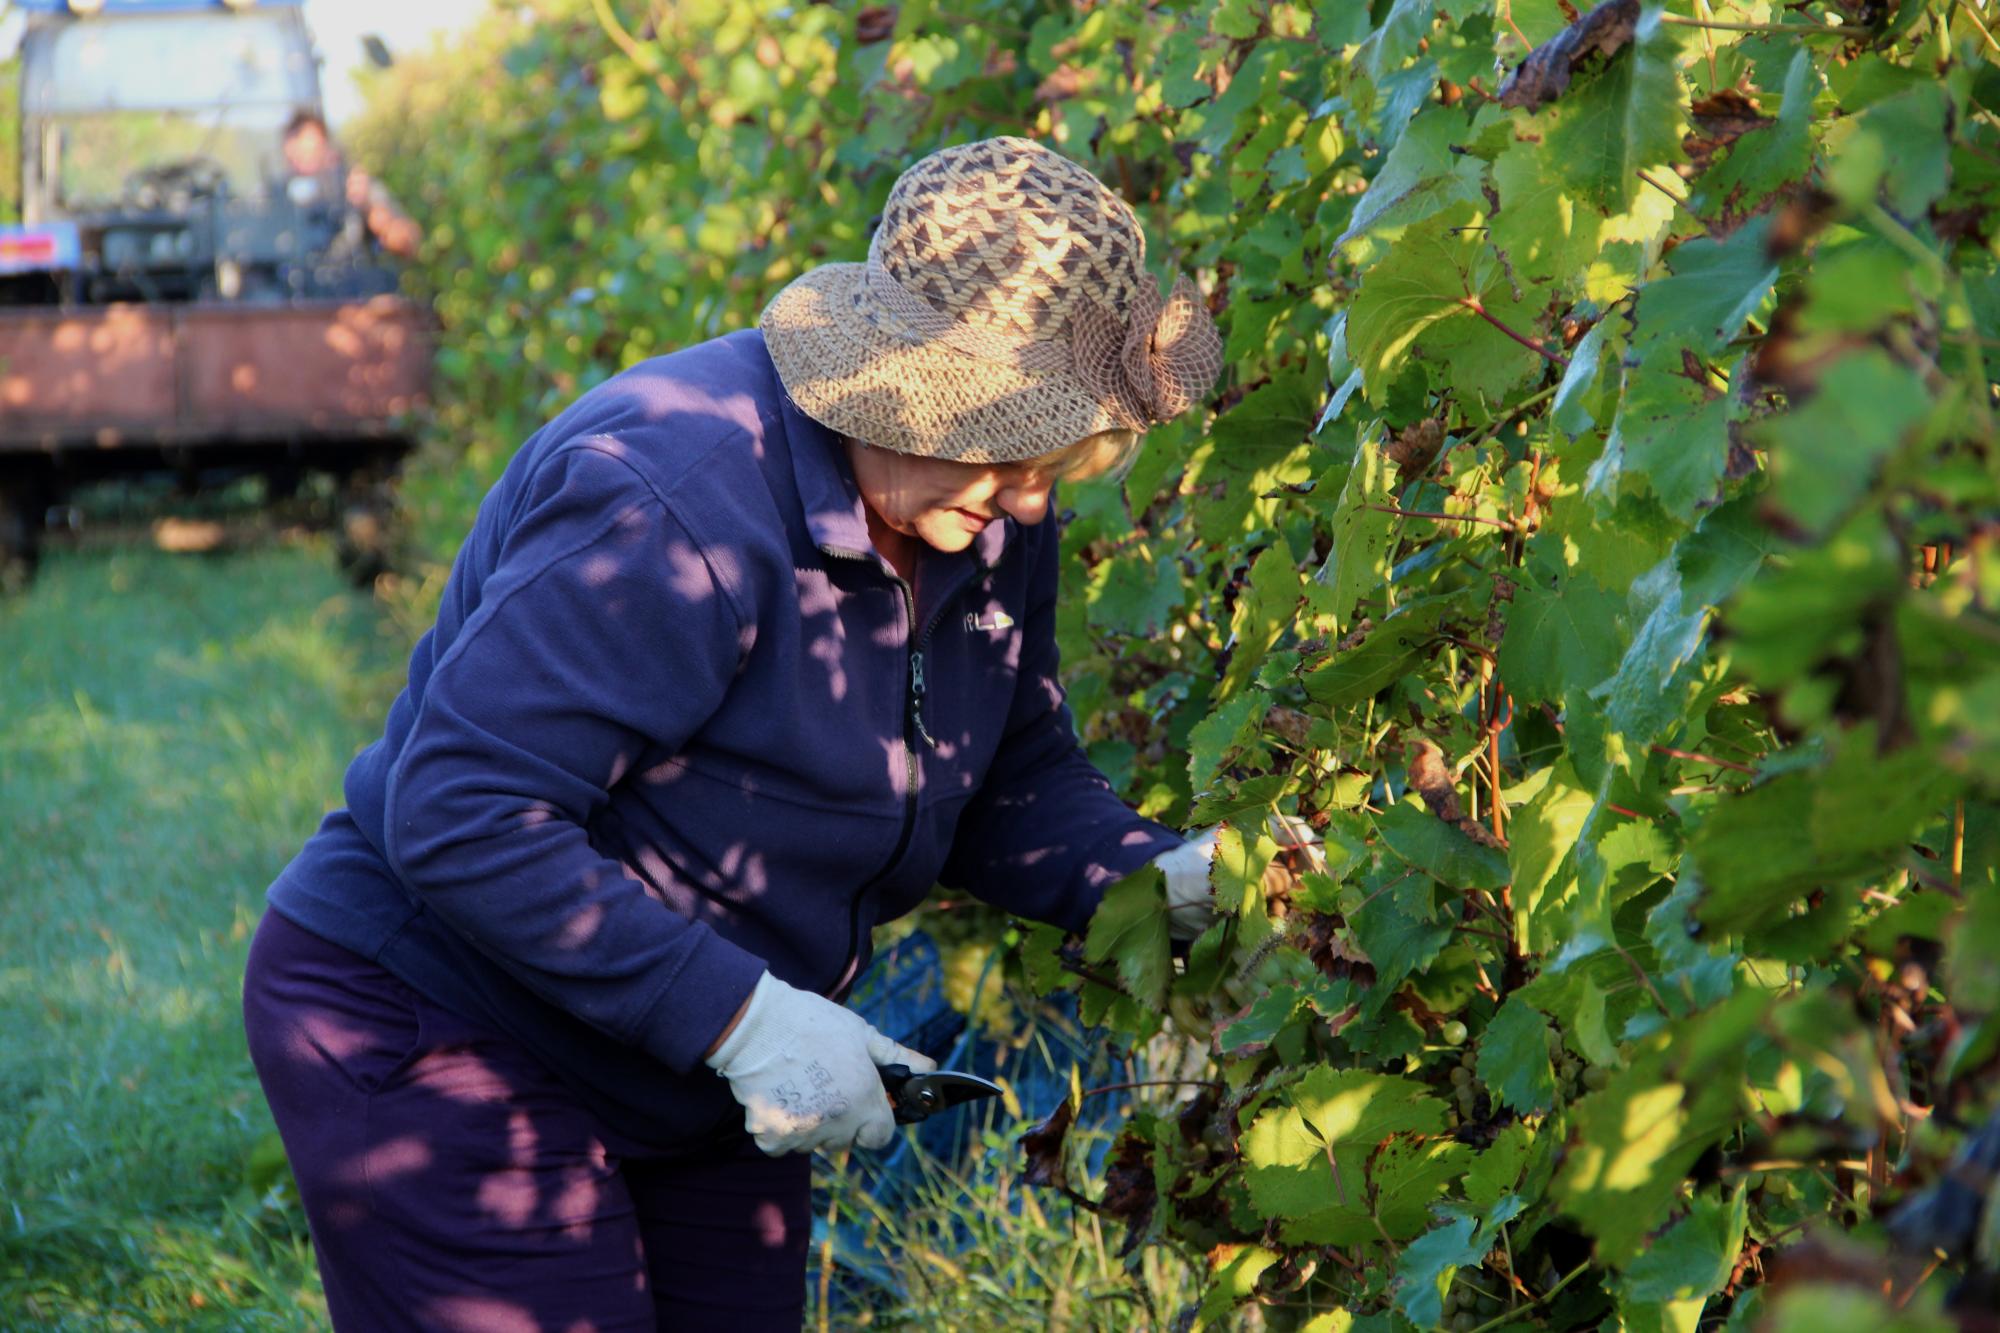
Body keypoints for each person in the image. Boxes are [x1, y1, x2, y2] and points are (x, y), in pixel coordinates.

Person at [242, 136, 1227, 1331]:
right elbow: (460, 810)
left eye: (1056, 460)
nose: (1028, 499)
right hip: (446, 1021)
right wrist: (741, 1015)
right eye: (1008, 445)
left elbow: (1009, 775)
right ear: (895, 380)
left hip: (679, 1064)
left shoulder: (983, 510)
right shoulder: (672, 497)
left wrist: (1152, 876)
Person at [278, 108, 420, 260]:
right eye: (295, 159)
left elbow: (408, 243)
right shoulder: (274, 198)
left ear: (327, 151)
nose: (303, 167)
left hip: (348, 277)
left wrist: (372, 210)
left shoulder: (352, 186)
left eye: (310, 154)